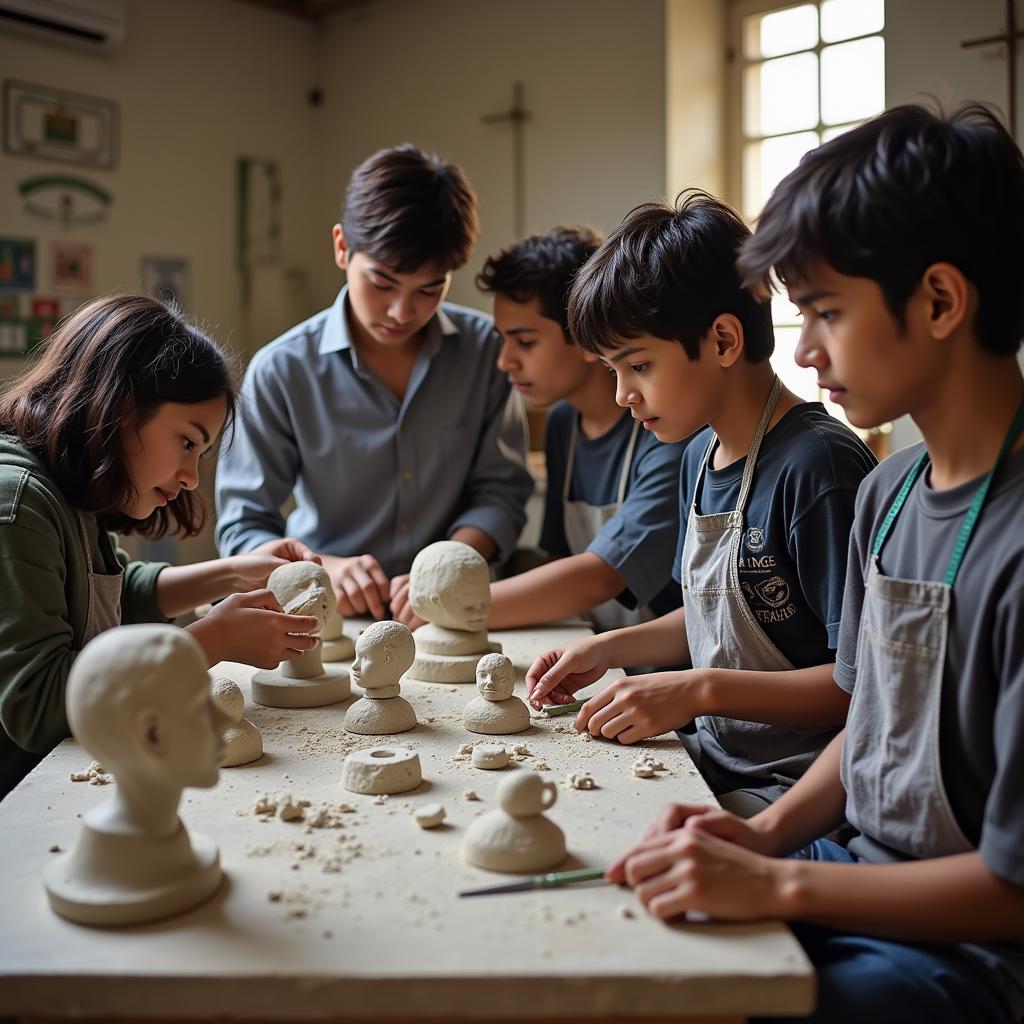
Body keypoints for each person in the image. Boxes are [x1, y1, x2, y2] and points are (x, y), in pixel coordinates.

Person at [610, 104, 1024, 1024]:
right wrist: (758, 836)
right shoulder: (889, 495)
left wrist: (782, 888)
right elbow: (868, 720)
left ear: (942, 301)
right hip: (850, 871)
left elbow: (1010, 889)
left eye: (828, 313)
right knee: (625, 937)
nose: (801, 350)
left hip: (972, 948)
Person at [526, 192, 875, 816]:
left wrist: (695, 691)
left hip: (793, 786)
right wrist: (607, 652)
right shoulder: (699, 452)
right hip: (713, 754)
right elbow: (712, 626)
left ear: (721, 339)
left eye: (637, 365)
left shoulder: (818, 468)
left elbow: (855, 690)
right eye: (611, 370)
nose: (624, 394)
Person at [0, 295, 321, 798]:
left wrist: (231, 572)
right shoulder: (17, 504)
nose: (192, 478)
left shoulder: (65, 491)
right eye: (188, 442)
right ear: (122, 405)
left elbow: (110, 597)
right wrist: (208, 643)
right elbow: (37, 708)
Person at [215, 144, 532, 627]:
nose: (402, 312)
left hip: (453, 612)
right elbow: (244, 524)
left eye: (429, 289)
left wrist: (446, 565)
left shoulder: (487, 352)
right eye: (382, 283)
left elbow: (503, 492)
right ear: (342, 247)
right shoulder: (281, 370)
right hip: (324, 616)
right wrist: (320, 571)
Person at [477, 226, 688, 632]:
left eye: (524, 341)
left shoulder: (666, 428)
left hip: (662, 670)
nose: (505, 361)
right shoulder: (562, 424)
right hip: (593, 654)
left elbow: (602, 575)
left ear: (586, 334)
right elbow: (559, 559)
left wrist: (458, 606)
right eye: (502, 340)